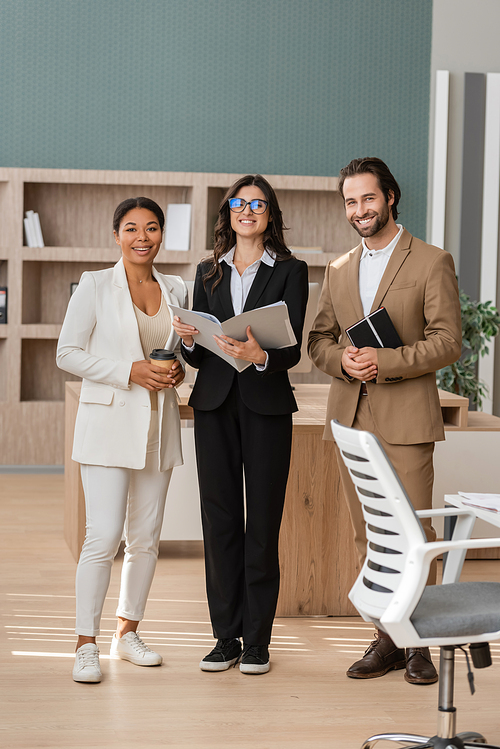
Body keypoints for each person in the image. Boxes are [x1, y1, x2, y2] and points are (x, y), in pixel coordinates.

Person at [308, 158, 462, 685]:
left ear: (390, 197)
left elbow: (448, 341)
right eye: (350, 202)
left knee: (414, 533)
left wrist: (385, 362)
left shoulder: (431, 261)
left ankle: (419, 642)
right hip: (351, 418)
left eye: (368, 199)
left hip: (407, 418)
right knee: (369, 534)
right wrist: (342, 361)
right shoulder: (338, 268)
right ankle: (386, 640)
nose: (359, 210)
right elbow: (318, 342)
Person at [172, 175, 308, 674]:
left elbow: (290, 347)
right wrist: (189, 339)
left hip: (267, 403)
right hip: (214, 404)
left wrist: (260, 355)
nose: (246, 210)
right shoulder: (207, 271)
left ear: (270, 213)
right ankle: (225, 636)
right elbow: (200, 353)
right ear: (227, 212)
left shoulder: (293, 270)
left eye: (257, 203)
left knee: (262, 525)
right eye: (238, 203)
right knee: (221, 520)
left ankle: (257, 641)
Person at [57, 197, 188, 683]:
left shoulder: (176, 287)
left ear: (161, 236)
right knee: (103, 536)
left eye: (151, 228)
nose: (142, 237)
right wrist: (127, 371)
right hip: (110, 424)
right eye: (131, 228)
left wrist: (175, 372)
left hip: (157, 426)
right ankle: (85, 643)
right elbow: (66, 352)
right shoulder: (94, 285)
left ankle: (126, 632)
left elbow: (181, 352)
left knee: (145, 539)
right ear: (117, 235)